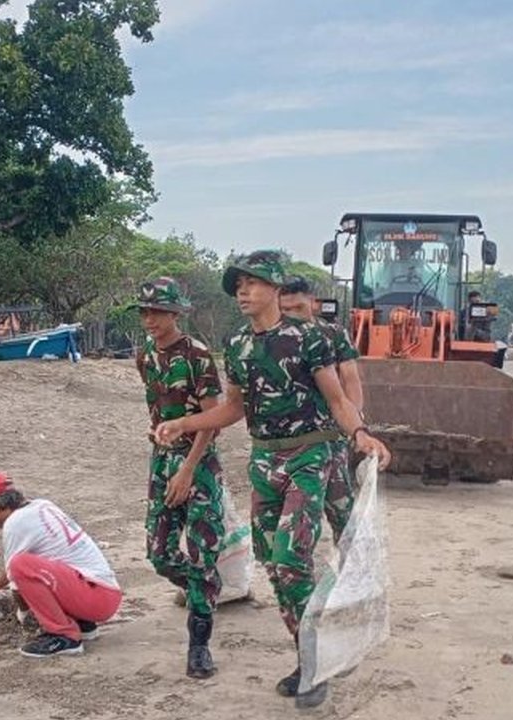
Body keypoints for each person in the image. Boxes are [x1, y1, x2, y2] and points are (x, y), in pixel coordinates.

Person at [155, 251, 391, 708]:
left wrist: (360, 433)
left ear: (276, 289)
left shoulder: (308, 338)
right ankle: (309, 652)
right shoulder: (238, 344)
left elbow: (338, 399)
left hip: (311, 454)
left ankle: (315, 661)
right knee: (271, 562)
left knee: (290, 558)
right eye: (238, 285)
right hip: (264, 460)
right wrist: (186, 423)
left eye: (253, 283)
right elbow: (233, 408)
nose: (242, 291)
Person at [133, 276, 225, 679]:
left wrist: (188, 470)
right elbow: (158, 409)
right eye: (145, 312)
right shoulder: (145, 355)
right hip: (161, 461)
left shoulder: (197, 355)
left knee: (202, 551)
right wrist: (158, 436)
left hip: (198, 464)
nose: (150, 319)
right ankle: (204, 587)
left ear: (175, 314)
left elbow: (212, 420)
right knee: (159, 553)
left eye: (158, 312)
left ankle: (199, 646)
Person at [0, 472, 121, 658]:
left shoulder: (15, 523)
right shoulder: (41, 505)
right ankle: (83, 625)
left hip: (94, 597)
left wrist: (25, 615)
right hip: (103, 592)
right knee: (33, 564)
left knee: (20, 565)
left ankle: (64, 636)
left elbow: (16, 574)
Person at [279, 275, 364, 545]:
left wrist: (355, 424)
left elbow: (350, 378)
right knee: (295, 516)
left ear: (313, 303)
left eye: (299, 308)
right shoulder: (273, 339)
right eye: (285, 309)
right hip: (290, 439)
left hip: (330, 435)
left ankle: (351, 562)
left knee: (341, 509)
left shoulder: (333, 334)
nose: (292, 315)